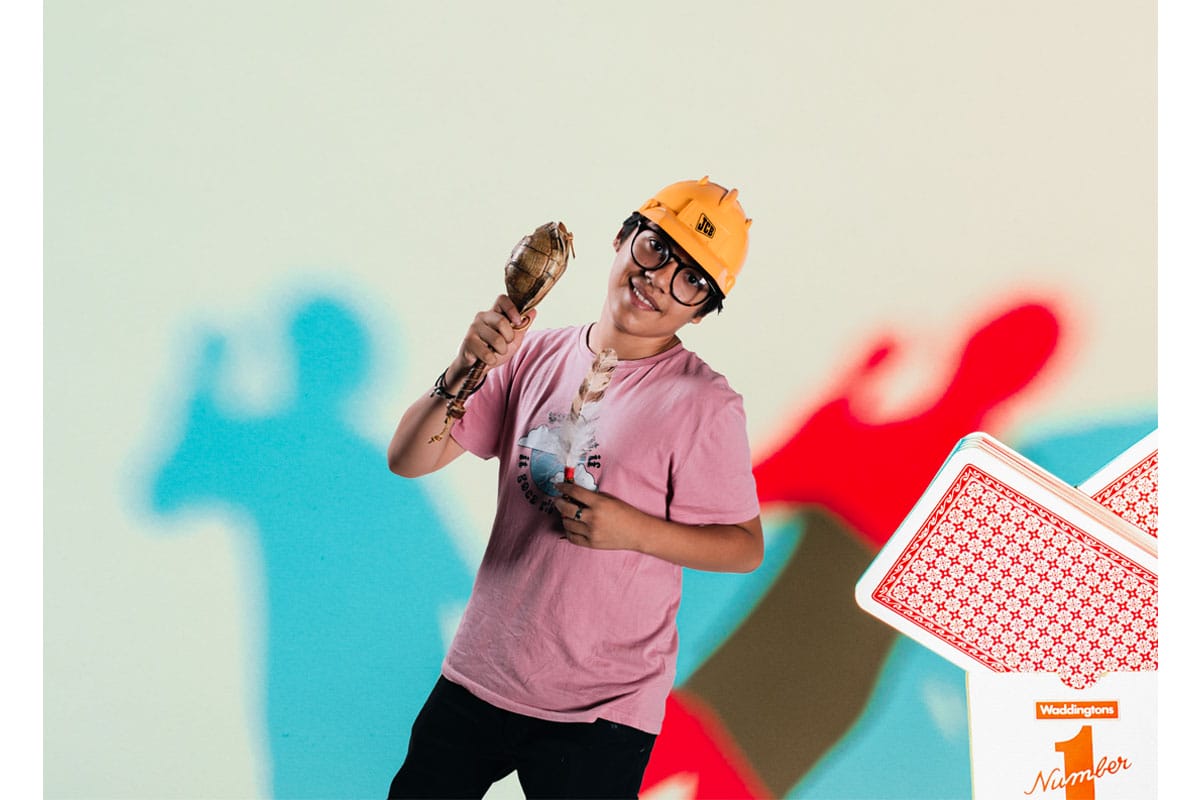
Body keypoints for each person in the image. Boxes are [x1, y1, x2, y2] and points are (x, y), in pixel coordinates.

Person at [385, 177, 762, 799]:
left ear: (703, 309)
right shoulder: (532, 353)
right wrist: (467, 365)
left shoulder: (705, 404)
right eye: (655, 249)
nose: (661, 280)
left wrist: (631, 529)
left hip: (602, 707)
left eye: (693, 280)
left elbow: (744, 546)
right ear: (621, 239)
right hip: (483, 671)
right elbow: (409, 459)